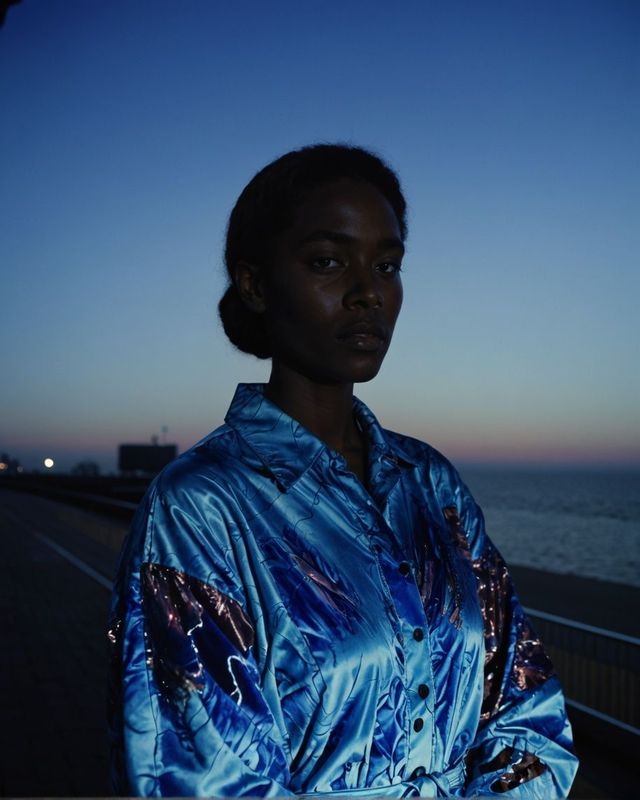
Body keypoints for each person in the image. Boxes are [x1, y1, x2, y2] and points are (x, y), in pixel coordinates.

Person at [108, 144, 578, 797]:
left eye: (386, 266)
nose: (368, 294)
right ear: (255, 285)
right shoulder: (200, 506)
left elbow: (527, 711)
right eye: (328, 262)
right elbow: (199, 777)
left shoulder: (431, 482)